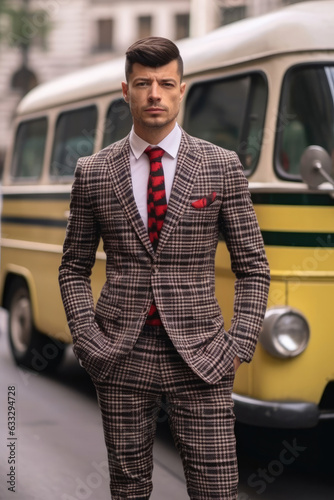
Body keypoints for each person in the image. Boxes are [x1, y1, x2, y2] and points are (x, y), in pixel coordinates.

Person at [59, 36, 270, 500]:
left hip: (203, 356)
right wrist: (89, 341)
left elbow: (253, 265)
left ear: (181, 90)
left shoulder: (221, 167)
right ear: (126, 90)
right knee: (128, 489)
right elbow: (73, 267)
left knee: (216, 489)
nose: (154, 93)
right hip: (120, 354)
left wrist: (238, 344)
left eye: (165, 83)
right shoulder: (92, 171)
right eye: (143, 83)